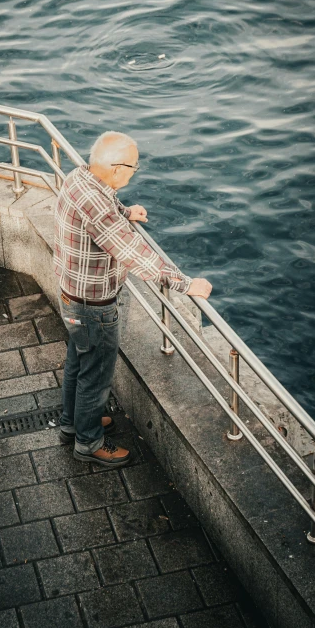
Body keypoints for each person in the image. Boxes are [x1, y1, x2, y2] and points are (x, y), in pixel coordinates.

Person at [54, 130, 213, 468]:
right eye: (134, 167)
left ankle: (73, 422)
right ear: (117, 168)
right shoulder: (98, 204)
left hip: (72, 294)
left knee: (78, 363)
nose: (134, 172)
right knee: (95, 376)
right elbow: (133, 253)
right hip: (93, 305)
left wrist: (125, 214)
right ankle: (89, 442)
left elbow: (100, 215)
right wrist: (185, 284)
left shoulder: (80, 177)